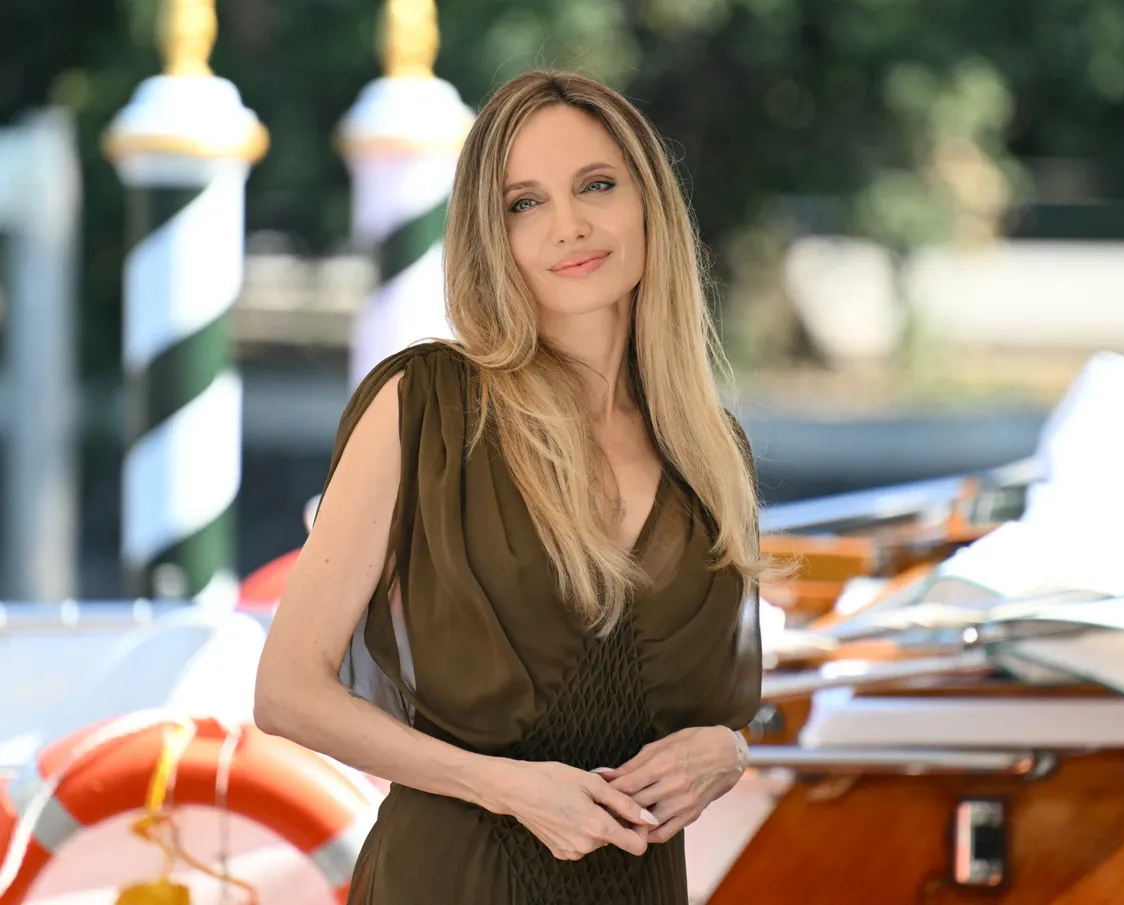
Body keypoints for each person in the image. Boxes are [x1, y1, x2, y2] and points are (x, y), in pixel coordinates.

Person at [254, 68, 778, 904]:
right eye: (522, 203)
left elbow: (712, 711)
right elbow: (287, 691)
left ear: (650, 202)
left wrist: (726, 751)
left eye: (596, 186)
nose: (568, 226)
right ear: (490, 236)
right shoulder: (424, 404)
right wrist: (507, 785)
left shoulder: (712, 451)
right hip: (453, 877)